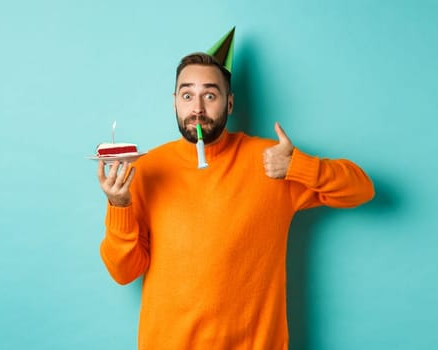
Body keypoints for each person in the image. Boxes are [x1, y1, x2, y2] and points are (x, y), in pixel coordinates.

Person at [96, 51, 374, 349]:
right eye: (187, 95)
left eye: (210, 96)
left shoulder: (271, 162)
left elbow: (361, 188)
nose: (198, 109)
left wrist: (297, 166)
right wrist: (119, 206)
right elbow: (124, 273)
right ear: (174, 101)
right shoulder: (148, 169)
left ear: (229, 103)